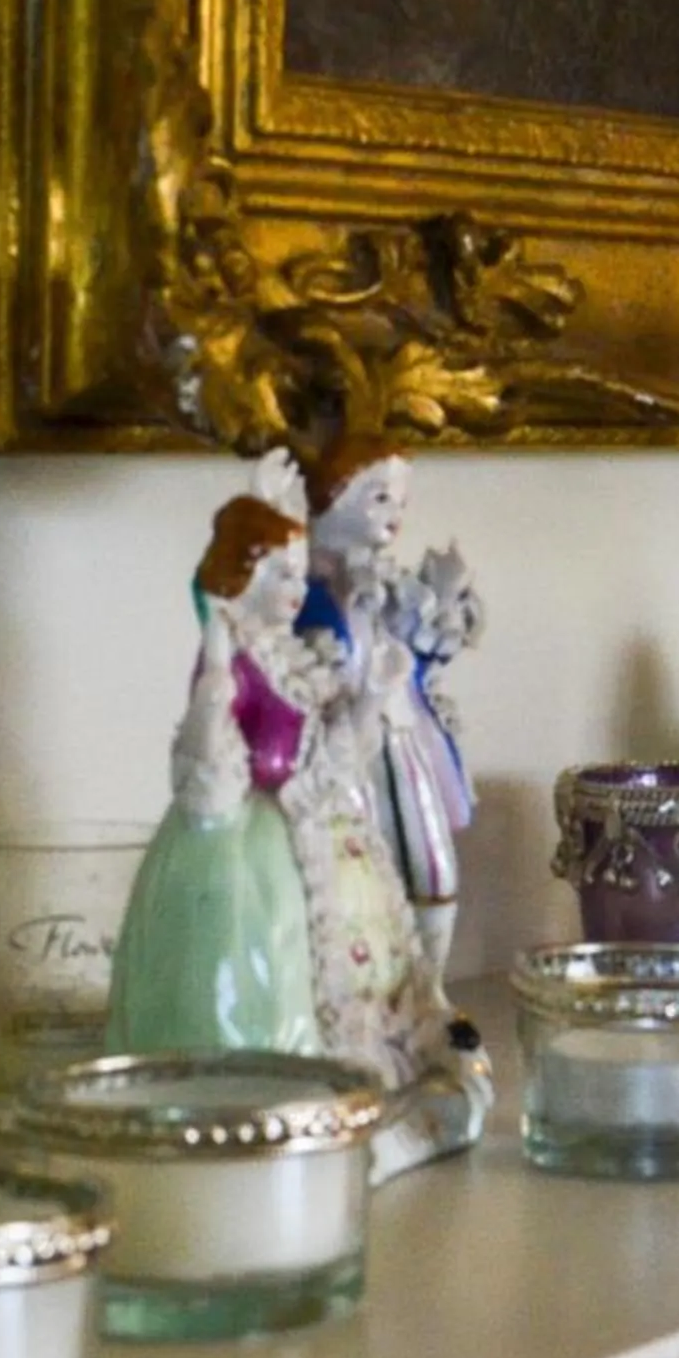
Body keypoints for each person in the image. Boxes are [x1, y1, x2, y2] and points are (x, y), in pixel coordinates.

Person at [105, 493, 324, 1059]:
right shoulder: (228, 668)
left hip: (277, 827)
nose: (298, 588)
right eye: (282, 573)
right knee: (230, 955)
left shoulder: (275, 655)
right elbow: (208, 767)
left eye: (300, 574)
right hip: (230, 841)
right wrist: (216, 673)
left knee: (289, 958)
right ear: (243, 576)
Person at [294, 438, 481, 973]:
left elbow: (420, 654)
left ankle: (429, 987)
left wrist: (442, 603)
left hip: (401, 739)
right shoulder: (302, 590)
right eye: (378, 498)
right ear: (331, 498)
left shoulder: (388, 585)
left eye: (400, 501)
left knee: (431, 865)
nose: (394, 513)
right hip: (343, 753)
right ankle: (365, 989)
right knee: (354, 876)